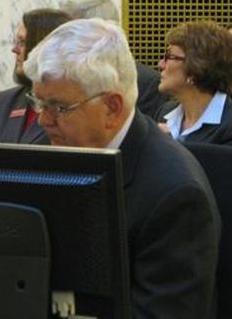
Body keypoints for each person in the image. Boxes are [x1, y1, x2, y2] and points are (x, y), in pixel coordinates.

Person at [24, 18, 220, 318]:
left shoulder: (175, 195)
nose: (43, 120)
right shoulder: (43, 153)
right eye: (39, 103)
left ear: (112, 108)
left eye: (59, 107)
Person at [61, 0, 169, 117]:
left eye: (72, 31)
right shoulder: (65, 76)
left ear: (100, 30)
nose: (63, 39)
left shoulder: (147, 84)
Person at [0, 8, 71, 143]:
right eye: (16, 42)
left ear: (42, 47)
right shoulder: (5, 101)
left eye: (22, 42)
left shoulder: (69, 108)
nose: (14, 50)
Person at [155, 20, 232, 144]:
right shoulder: (164, 113)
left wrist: (172, 144)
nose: (161, 64)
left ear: (196, 67)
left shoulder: (228, 124)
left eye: (169, 56)